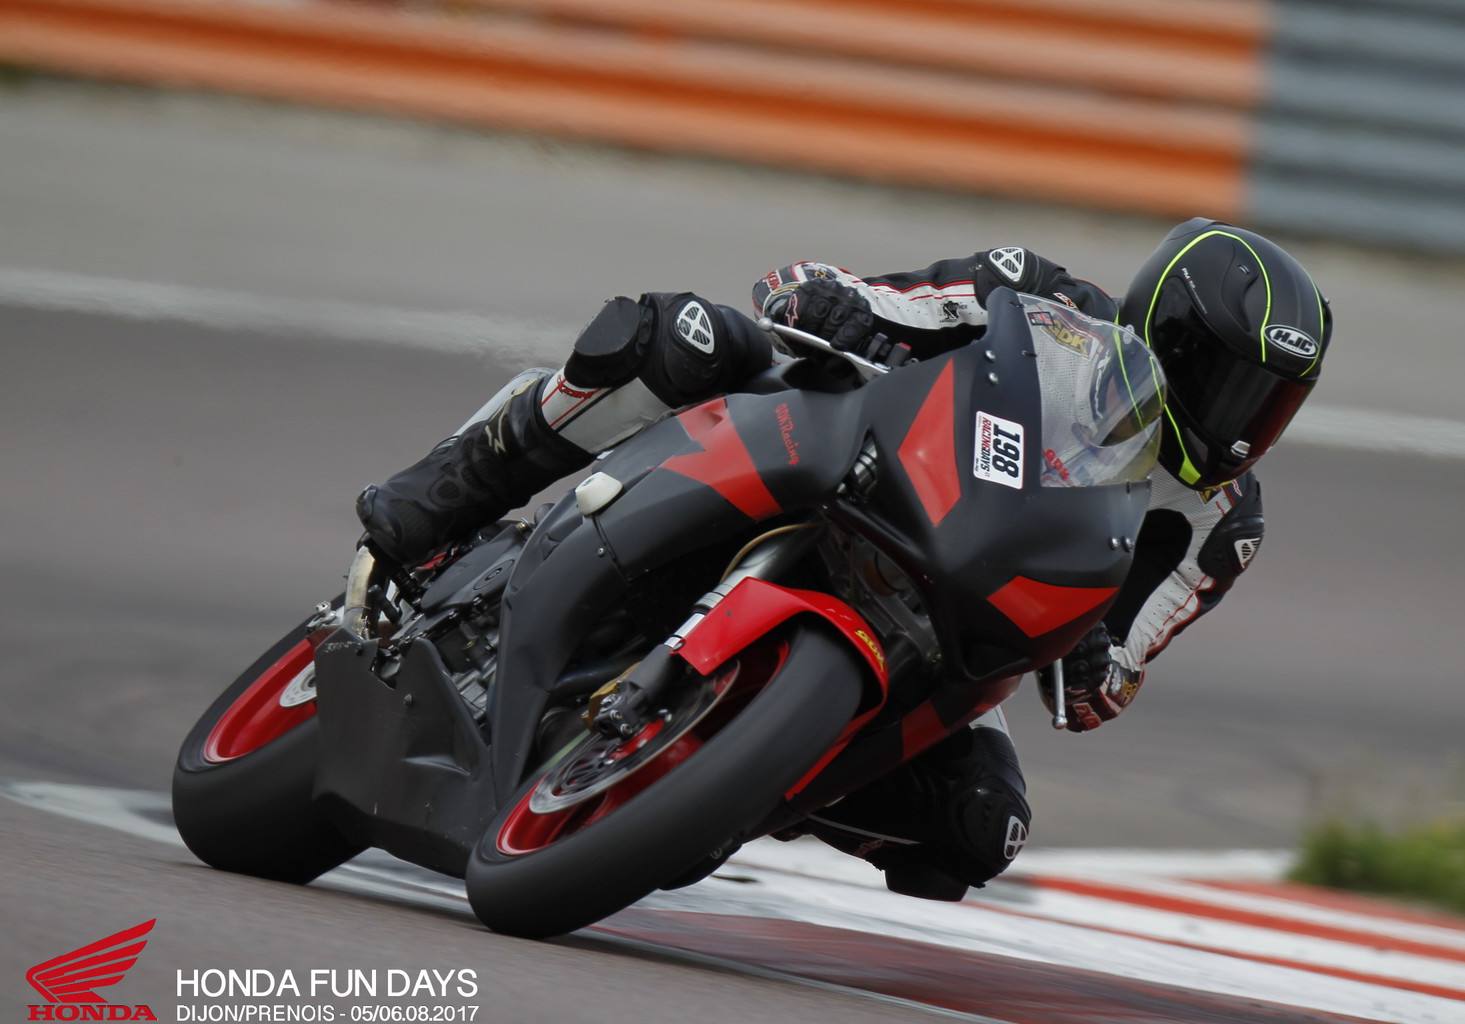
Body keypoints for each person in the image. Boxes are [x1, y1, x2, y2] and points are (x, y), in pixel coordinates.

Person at [356, 217, 1332, 901]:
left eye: (1272, 403)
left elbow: (1103, 687)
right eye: (1230, 384)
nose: (1243, 424)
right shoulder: (1040, 297)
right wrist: (838, 305)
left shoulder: (1223, 525)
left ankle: (737, 777)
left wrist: (1087, 649)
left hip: (959, 615)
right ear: (1167, 329)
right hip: (851, 462)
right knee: (677, 339)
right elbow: (842, 290)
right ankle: (435, 504)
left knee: (980, 826)